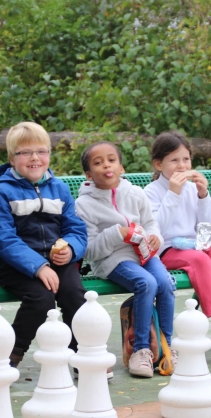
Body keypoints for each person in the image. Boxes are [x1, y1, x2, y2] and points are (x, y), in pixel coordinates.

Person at [0, 121, 93, 375]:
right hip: (15, 264)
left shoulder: (59, 188)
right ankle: (11, 353)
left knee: (74, 293)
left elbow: (75, 229)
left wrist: (71, 250)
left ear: (49, 155)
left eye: (41, 151)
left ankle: (79, 354)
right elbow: (4, 239)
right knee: (41, 298)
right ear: (12, 159)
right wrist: (38, 266)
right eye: (25, 153)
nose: (35, 158)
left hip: (57, 260)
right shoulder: (0, 192)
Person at [74, 141, 176, 378]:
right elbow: (88, 250)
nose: (106, 165)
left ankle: (165, 347)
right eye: (98, 163)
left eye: (111, 160)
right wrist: (116, 233)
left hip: (143, 253)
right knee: (146, 283)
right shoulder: (84, 204)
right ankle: (141, 350)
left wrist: (155, 237)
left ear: (121, 167)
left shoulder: (135, 193)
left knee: (165, 283)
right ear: (89, 174)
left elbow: (150, 223)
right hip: (112, 259)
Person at [144, 131, 211, 347]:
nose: (181, 166)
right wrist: (173, 193)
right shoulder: (151, 192)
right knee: (200, 260)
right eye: (174, 160)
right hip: (167, 250)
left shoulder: (192, 189)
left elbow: (207, 228)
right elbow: (157, 229)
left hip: (196, 245)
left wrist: (203, 196)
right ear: (158, 165)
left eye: (186, 159)